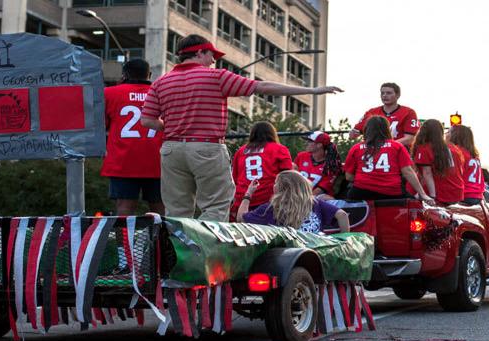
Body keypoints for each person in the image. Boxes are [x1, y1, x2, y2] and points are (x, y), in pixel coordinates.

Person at [141, 34, 343, 222]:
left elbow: (147, 121)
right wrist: (312, 91)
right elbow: (262, 87)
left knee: (176, 211)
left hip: (171, 150)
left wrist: (175, 129)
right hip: (206, 149)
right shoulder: (216, 77)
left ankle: (176, 255)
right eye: (211, 55)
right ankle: (205, 255)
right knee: (215, 206)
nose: (213, 61)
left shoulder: (160, 82)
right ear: (200, 52)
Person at [101, 59, 165, 216]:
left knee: (124, 208)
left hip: (123, 161)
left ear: (124, 75)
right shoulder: (161, 94)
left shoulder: (109, 93)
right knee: (161, 209)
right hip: (158, 160)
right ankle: (163, 241)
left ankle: (124, 240)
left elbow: (102, 125)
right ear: (149, 75)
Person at [342, 116, 433, 204]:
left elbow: (349, 177)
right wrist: (423, 194)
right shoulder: (397, 146)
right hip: (391, 192)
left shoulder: (356, 148)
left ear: (367, 130)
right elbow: (408, 172)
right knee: (414, 205)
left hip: (361, 192)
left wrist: (368, 179)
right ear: (387, 129)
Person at [237, 171, 351, 234]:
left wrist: (248, 193)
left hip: (287, 255)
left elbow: (241, 218)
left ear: (283, 187)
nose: (273, 185)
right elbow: (342, 215)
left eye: (276, 182)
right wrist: (345, 238)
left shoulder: (271, 208)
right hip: (315, 251)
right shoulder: (315, 203)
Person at [230, 122, 293, 219]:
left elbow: (234, 179)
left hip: (243, 200)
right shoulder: (279, 149)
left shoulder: (241, 151)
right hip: (268, 201)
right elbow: (288, 177)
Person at [410, 119, 465, 205]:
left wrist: (432, 196)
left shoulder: (425, 148)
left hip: (441, 194)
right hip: (457, 193)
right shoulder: (453, 148)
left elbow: (427, 173)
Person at [349, 83, 419, 147]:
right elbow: (353, 135)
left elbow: (410, 139)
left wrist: (386, 146)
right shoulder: (372, 112)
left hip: (399, 152)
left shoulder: (408, 112)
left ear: (398, 95)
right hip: (374, 153)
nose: (384, 95)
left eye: (389, 93)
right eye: (382, 93)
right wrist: (354, 133)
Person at [294, 131, 342, 200]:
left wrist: (302, 199)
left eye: (310, 141)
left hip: (316, 198)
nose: (306, 143)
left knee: (325, 198)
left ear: (319, 145)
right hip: (299, 195)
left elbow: (320, 190)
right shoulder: (301, 156)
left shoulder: (331, 164)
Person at [448, 125, 485, 206]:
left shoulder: (457, 152)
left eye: (449, 132)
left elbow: (452, 175)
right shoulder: (474, 155)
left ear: (455, 135)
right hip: (477, 197)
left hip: (464, 195)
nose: (446, 134)